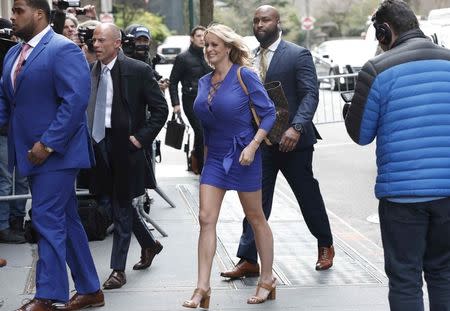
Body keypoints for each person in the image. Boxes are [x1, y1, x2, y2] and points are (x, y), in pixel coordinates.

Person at [344, 1, 450, 310]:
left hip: (403, 198)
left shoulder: (377, 69)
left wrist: (350, 107)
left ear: (384, 31)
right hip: (448, 194)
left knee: (405, 278)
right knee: (443, 273)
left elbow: (361, 135)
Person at [0, 0, 104, 310]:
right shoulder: (12, 53)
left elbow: (74, 103)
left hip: (56, 154)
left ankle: (48, 295)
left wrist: (47, 144)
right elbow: (7, 101)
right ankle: (90, 289)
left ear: (39, 13)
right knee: (66, 220)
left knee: (45, 218)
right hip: (29, 154)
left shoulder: (63, 49)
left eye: (18, 10)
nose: (12, 16)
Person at [221, 5, 334, 280]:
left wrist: (297, 127)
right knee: (256, 202)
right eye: (256, 20)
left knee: (307, 196)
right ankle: (248, 259)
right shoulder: (248, 58)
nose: (260, 24)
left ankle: (325, 244)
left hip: (294, 143)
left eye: (266, 19)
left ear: (278, 22)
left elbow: (309, 94)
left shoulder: (297, 54)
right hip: (262, 143)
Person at [182, 24, 276, 309]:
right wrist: (204, 156)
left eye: (214, 45)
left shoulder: (244, 74)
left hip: (244, 155)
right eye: (206, 45)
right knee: (205, 219)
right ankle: (202, 287)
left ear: (228, 47)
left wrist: (253, 145)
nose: (209, 50)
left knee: (255, 217)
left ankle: (267, 279)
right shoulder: (203, 82)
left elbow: (269, 113)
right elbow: (206, 124)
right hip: (215, 158)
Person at [87, 23, 168, 290]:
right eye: (93, 40)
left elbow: (160, 110)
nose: (95, 44)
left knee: (121, 206)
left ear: (117, 43)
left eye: (101, 40)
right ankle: (149, 243)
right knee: (108, 201)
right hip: (99, 143)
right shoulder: (93, 70)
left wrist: (140, 138)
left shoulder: (138, 70)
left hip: (127, 145)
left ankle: (117, 270)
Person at [169, 25, 212, 174]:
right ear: (192, 38)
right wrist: (176, 104)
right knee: (200, 131)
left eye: (203, 36)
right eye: (198, 36)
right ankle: (201, 167)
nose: (202, 38)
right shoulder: (183, 58)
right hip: (190, 101)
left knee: (206, 131)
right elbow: (173, 81)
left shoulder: (210, 56)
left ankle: (194, 157)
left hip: (209, 101)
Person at [0, 17, 28, 244]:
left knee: (23, 178)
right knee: (6, 180)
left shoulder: (17, 55)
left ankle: (17, 220)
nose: (11, 40)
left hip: (21, 128)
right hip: (3, 130)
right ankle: (3, 225)